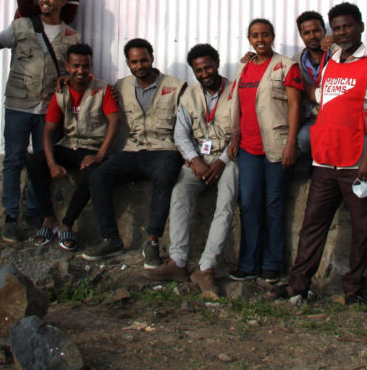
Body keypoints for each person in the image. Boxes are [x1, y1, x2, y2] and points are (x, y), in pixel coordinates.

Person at [275, 3, 367, 304]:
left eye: (348, 26)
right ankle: (298, 285)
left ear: (361, 27)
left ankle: (354, 289)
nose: (342, 32)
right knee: (313, 226)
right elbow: (324, 98)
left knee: (362, 229)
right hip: (325, 160)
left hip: (359, 162)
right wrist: (298, 85)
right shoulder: (331, 62)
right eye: (337, 28)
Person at [83, 39, 186, 266]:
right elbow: (93, 88)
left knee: (166, 174)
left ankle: (151, 241)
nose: (140, 66)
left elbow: (187, 124)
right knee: (98, 176)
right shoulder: (120, 86)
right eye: (134, 62)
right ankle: (111, 239)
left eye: (144, 60)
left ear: (152, 58)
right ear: (128, 63)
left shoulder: (176, 86)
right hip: (132, 150)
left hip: (163, 149)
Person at [148, 44, 240, 298]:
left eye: (208, 67)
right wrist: (195, 160)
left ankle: (206, 267)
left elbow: (239, 136)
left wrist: (220, 162)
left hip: (228, 158)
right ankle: (177, 262)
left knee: (227, 200)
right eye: (198, 70)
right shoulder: (189, 95)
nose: (204, 73)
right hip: (198, 159)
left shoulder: (235, 92)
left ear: (217, 64)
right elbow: (181, 134)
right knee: (179, 194)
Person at [0, 0, 80, 242]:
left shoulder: (71, 36)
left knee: (40, 162)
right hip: (18, 105)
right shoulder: (20, 26)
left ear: (63, 2)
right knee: (13, 160)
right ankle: (10, 217)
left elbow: (73, 71)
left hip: (48, 110)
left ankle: (35, 212)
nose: (45, 0)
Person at [231, 18, 304, 283]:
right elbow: (238, 104)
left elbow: (295, 106)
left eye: (264, 34)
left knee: (274, 206)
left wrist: (290, 144)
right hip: (248, 148)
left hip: (276, 147)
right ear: (249, 39)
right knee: (249, 204)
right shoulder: (244, 67)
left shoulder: (287, 67)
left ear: (273, 36)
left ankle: (272, 264)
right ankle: (249, 264)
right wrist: (235, 135)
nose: (259, 39)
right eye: (254, 35)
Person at [28, 43, 121, 250]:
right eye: (76, 66)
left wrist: (99, 155)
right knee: (35, 161)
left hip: (91, 147)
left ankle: (67, 223)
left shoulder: (102, 89)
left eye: (85, 66)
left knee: (92, 173)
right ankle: (48, 218)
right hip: (68, 144)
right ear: (67, 67)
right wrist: (52, 163)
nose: (81, 71)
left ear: (91, 66)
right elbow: (48, 131)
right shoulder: (60, 92)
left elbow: (115, 122)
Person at [293, 11, 329, 157]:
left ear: (325, 31)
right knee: (304, 138)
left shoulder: (338, 54)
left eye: (316, 31)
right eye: (307, 33)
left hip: (337, 115)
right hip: (311, 118)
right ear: (301, 36)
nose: (312, 36)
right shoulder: (295, 62)